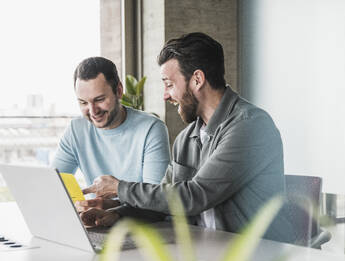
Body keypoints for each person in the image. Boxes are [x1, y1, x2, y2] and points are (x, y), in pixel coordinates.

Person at [80, 33, 295, 243]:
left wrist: (120, 188)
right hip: (205, 251)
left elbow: (195, 196)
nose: (165, 95)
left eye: (169, 84)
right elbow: (166, 202)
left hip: (257, 258)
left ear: (197, 80)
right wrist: (117, 215)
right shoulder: (187, 138)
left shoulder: (250, 126)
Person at [51, 56, 171, 211]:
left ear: (119, 91)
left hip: (144, 227)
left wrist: (112, 206)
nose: (93, 111)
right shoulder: (76, 129)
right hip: (97, 224)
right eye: (83, 103)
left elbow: (155, 200)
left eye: (99, 99)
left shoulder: (151, 128)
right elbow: (54, 185)